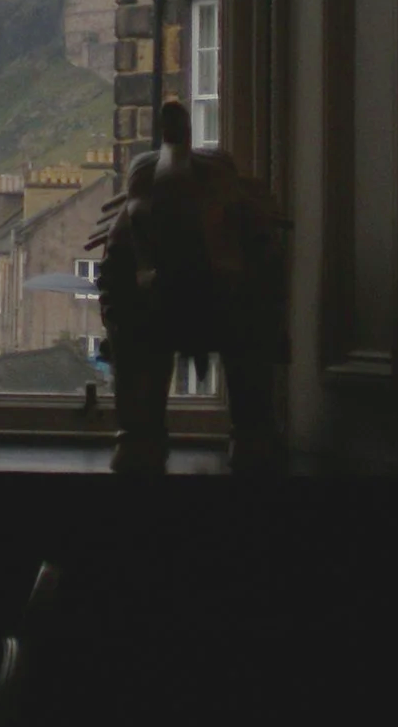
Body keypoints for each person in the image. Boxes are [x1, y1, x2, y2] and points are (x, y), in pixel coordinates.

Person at [93, 98, 288, 474]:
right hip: (182, 290)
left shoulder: (244, 228)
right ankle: (147, 433)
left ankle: (244, 430)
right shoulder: (133, 229)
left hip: (212, 291)